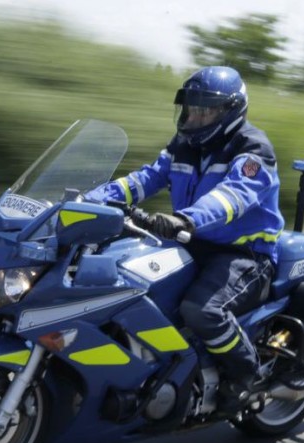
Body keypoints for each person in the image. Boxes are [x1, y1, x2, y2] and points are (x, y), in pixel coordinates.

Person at [85, 66, 284, 413]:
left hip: (242, 253)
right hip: (190, 241)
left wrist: (185, 218)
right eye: (191, 108)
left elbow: (232, 197)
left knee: (202, 310)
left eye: (206, 109)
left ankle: (246, 376)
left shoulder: (253, 149)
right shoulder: (184, 146)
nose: (195, 116)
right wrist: (89, 200)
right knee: (128, 285)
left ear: (230, 111)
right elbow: (145, 179)